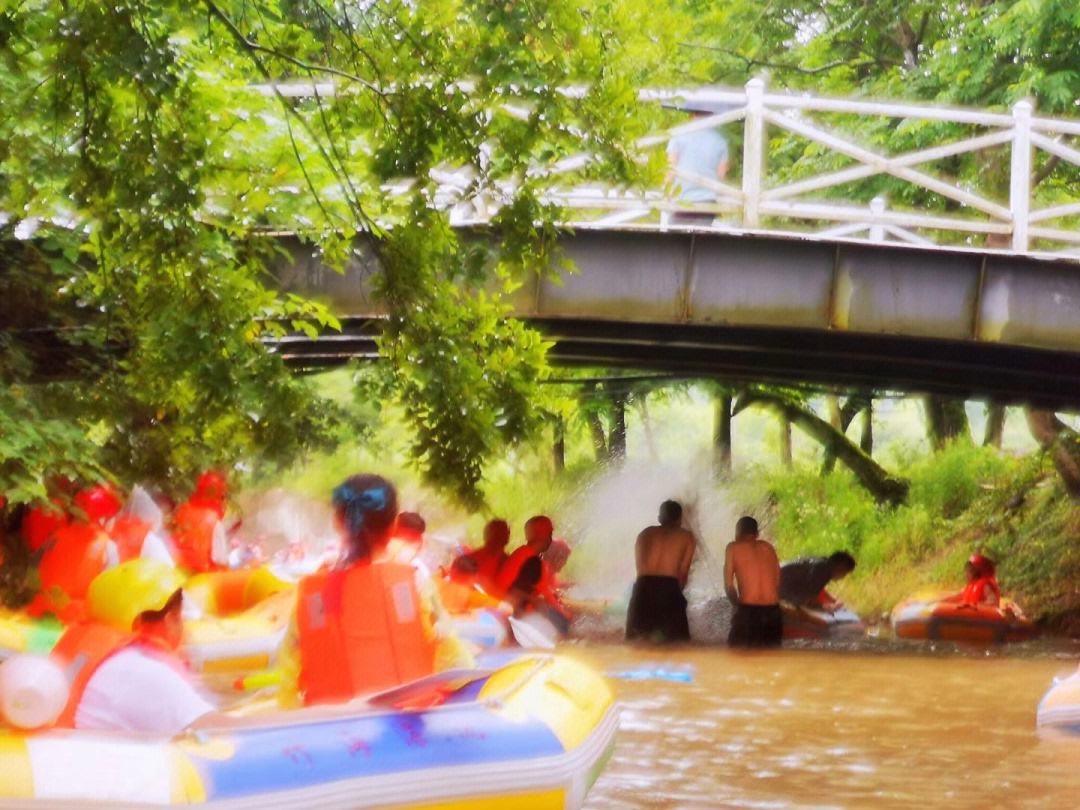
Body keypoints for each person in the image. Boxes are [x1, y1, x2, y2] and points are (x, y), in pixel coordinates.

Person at [278, 474, 469, 708]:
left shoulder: (313, 596)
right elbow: (457, 664)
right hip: (406, 725)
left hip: (332, 729)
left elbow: (287, 673)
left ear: (338, 523)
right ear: (394, 526)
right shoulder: (416, 584)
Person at [49, 560, 215, 734]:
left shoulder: (103, 658)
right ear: (169, 619)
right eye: (180, 616)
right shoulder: (141, 672)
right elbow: (225, 734)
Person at [625, 500, 696, 643]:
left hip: (643, 588)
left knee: (636, 642)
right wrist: (676, 596)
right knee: (677, 644)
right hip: (668, 587)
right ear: (679, 519)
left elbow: (639, 568)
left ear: (660, 517)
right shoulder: (687, 537)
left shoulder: (644, 534)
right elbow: (683, 573)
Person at [666, 104, 730, 225]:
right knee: (702, 240)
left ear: (692, 114)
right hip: (707, 201)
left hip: (681, 199)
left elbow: (670, 169)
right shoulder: (721, 141)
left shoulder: (678, 136)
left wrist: (664, 192)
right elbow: (721, 176)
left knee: (675, 240)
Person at [724, 516, 782, 648]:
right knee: (771, 658)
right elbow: (777, 582)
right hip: (773, 612)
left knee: (735, 655)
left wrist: (737, 608)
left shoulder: (733, 548)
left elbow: (729, 586)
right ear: (756, 534)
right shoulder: (769, 548)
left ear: (737, 533)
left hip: (749, 611)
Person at [779, 551, 857, 611]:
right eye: (845, 573)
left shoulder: (823, 564)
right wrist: (825, 607)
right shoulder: (823, 571)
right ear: (840, 568)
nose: (843, 577)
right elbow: (809, 599)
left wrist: (832, 600)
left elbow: (816, 589)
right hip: (778, 586)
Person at [455, 519, 511, 593]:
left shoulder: (464, 560)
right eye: (507, 532)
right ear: (507, 537)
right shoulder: (510, 563)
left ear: (485, 536)